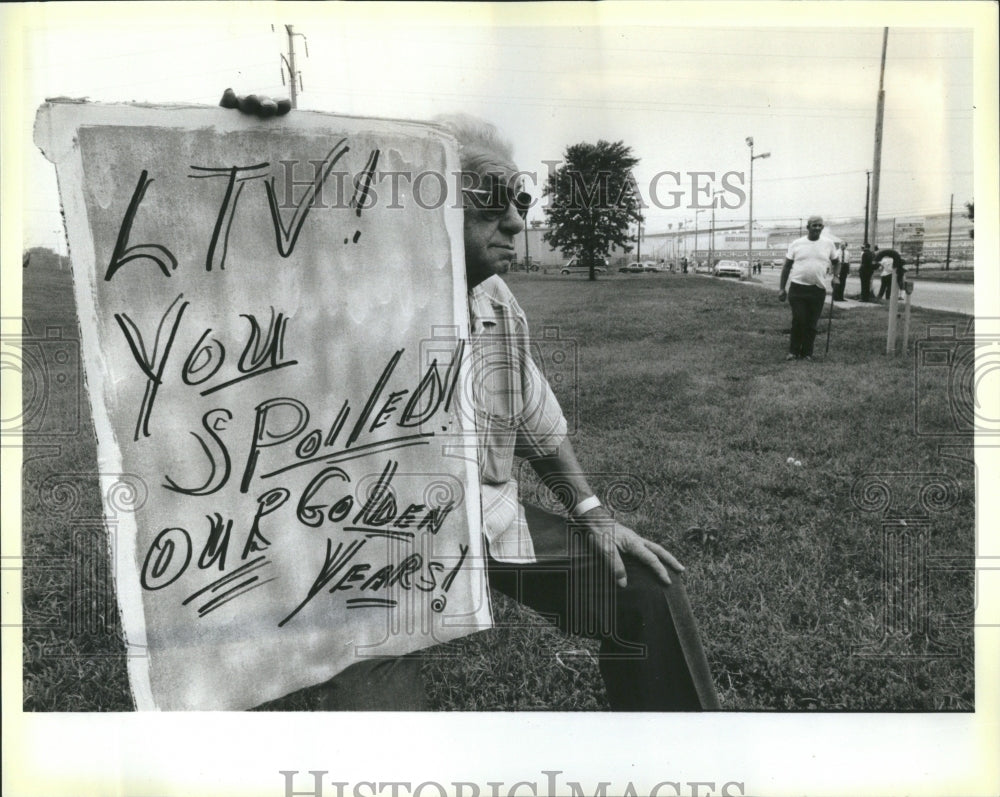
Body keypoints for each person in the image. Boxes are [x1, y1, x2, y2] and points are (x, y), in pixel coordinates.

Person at [221, 94, 718, 711]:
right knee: (385, 723)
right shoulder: (337, 290)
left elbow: (535, 421)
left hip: (487, 521)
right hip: (370, 545)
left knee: (643, 588)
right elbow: (241, 254)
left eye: (522, 200)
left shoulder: (496, 302)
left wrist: (591, 511)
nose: (514, 221)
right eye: (489, 197)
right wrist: (256, 146)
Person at [777, 216, 840, 361]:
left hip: (818, 289)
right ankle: (793, 351)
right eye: (814, 225)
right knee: (799, 319)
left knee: (812, 323)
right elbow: (786, 267)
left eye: (820, 226)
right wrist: (782, 288)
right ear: (808, 227)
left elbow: (836, 262)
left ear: (822, 228)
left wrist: (836, 276)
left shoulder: (828, 244)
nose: (817, 228)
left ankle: (807, 353)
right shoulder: (797, 244)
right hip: (798, 288)